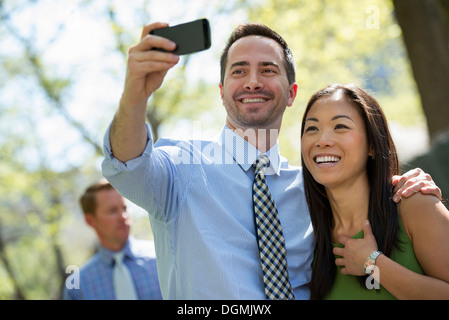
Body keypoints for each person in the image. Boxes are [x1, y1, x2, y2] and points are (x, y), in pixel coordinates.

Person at [101, 22, 441, 300]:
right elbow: (128, 163)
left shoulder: (314, 190)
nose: (252, 81)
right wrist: (136, 92)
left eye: (267, 69)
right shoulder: (181, 168)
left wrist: (404, 185)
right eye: (239, 71)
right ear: (221, 91)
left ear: (291, 92)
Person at [301, 83, 449, 299]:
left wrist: (373, 262)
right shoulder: (306, 237)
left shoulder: (414, 203)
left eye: (340, 126)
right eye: (312, 128)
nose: (322, 140)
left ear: (372, 143)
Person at [63, 179, 163, 300]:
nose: (123, 217)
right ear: (90, 220)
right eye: (112, 211)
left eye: (124, 208)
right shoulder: (79, 285)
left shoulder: (161, 259)